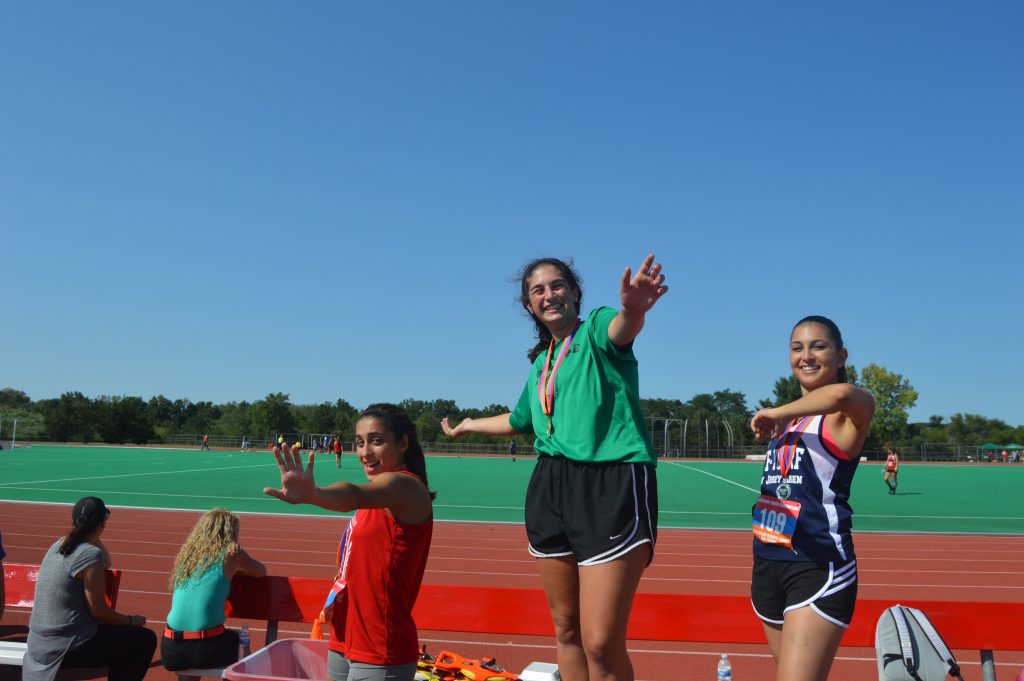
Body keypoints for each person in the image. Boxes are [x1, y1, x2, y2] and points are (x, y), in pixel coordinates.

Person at [441, 254, 667, 681]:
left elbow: (623, 330)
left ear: (575, 293)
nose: (549, 295)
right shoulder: (541, 364)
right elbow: (518, 420)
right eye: (538, 290)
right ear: (529, 305)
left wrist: (633, 310)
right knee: (567, 631)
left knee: (600, 641)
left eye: (557, 285)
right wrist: (468, 425)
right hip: (551, 486)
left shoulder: (597, 328)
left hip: (611, 482)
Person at [265, 404, 434, 681]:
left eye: (376, 441)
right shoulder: (377, 496)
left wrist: (314, 494)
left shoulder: (405, 486)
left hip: (381, 648)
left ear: (403, 443)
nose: (365, 452)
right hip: (345, 638)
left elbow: (352, 493)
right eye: (359, 443)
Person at [748, 316, 875, 681]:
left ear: (841, 355)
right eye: (797, 348)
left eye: (818, 346)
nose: (806, 356)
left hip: (818, 566)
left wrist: (777, 411)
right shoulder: (787, 423)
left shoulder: (846, 411)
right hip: (769, 563)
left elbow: (841, 394)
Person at [23, 496, 156, 681]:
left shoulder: (58, 544)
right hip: (66, 646)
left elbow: (105, 562)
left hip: (38, 642)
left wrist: (93, 535)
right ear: (103, 522)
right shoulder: (90, 554)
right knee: (143, 640)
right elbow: (99, 611)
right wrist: (130, 620)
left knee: (122, 642)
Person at [161, 508, 266, 679]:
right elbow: (261, 570)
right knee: (241, 644)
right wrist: (238, 564)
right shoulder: (232, 553)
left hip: (171, 648)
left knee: (193, 652)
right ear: (230, 532)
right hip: (205, 649)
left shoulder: (187, 556)